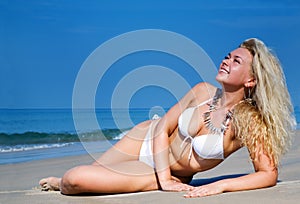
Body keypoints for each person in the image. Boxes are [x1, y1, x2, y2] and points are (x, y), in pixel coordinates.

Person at [39, 38, 296, 198]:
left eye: (236, 60)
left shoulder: (248, 121)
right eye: (227, 56)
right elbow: (162, 128)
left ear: (251, 79)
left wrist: (222, 186)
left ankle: (63, 181)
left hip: (163, 171)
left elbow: (267, 174)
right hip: (144, 138)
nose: (226, 60)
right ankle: (60, 182)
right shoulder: (202, 91)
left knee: (76, 179)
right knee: (91, 174)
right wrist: (165, 181)